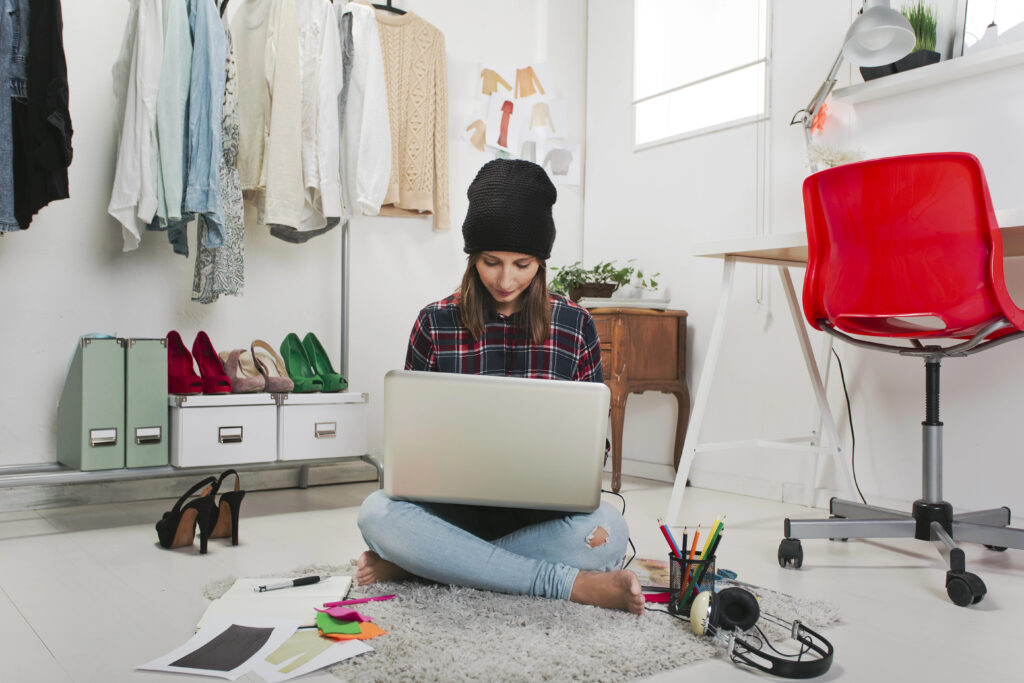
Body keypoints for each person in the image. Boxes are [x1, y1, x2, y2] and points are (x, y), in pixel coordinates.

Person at [356, 159, 644, 615]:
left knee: (610, 529)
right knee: (376, 514)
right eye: (491, 262)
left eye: (521, 264)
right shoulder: (434, 322)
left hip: (542, 516)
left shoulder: (575, 324)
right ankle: (565, 584)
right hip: (451, 511)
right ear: (472, 256)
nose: (506, 280)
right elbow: (409, 447)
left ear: (541, 261)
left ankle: (426, 564)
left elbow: (595, 451)